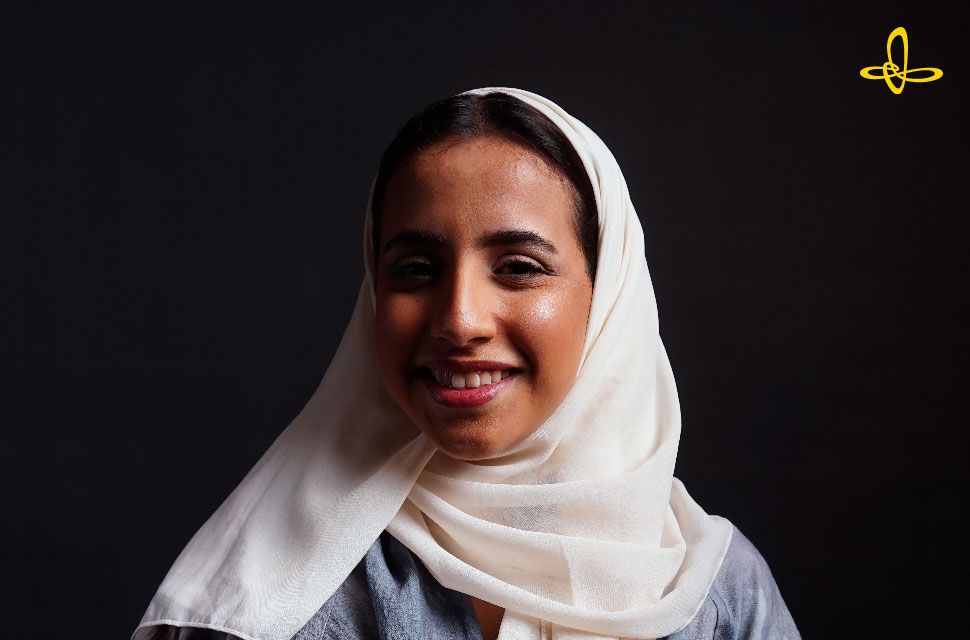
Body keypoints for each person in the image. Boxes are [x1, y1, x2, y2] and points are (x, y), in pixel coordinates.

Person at [131, 87, 800, 640]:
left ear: (608, 295)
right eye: (415, 270)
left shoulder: (712, 594)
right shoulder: (264, 596)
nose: (459, 320)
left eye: (519, 267)